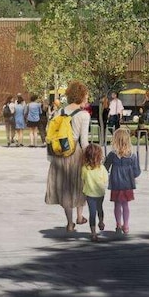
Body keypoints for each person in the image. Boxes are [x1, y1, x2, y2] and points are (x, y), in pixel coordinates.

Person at [44, 79, 90, 232]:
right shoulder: (84, 115)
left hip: (61, 154)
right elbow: (84, 142)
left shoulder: (60, 112)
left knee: (65, 188)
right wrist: (91, 157)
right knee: (79, 184)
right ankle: (80, 216)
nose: (87, 100)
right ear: (81, 96)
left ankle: (70, 223)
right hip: (75, 153)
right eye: (86, 97)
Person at [105, 128, 141, 234]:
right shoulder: (132, 156)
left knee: (117, 205)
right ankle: (126, 225)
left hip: (116, 184)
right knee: (125, 205)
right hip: (127, 184)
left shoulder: (112, 155)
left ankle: (118, 224)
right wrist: (131, 176)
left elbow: (105, 167)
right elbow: (137, 172)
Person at [81, 143, 108, 242]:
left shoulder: (84, 168)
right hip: (100, 193)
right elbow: (105, 179)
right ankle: (101, 221)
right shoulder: (102, 168)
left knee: (92, 213)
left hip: (89, 194)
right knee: (100, 208)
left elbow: (83, 179)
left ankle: (93, 233)